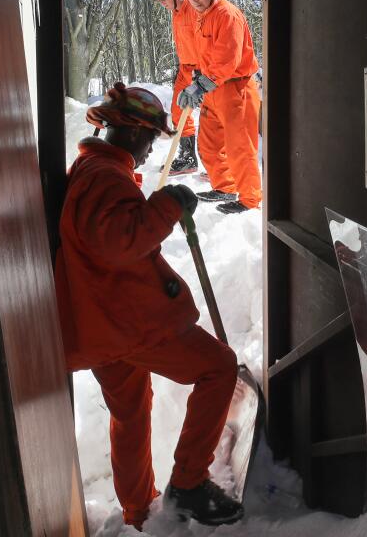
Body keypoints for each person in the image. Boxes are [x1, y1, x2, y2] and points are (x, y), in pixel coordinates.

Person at [54, 82, 243, 529]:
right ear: (133, 133)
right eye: (151, 138)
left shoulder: (92, 167)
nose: (150, 148)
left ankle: (138, 511)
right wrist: (167, 205)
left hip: (101, 323)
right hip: (125, 322)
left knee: (131, 413)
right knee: (218, 367)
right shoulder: (104, 177)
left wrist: (159, 205)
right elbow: (119, 243)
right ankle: (189, 484)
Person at [175, 0, 262, 215]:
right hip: (213, 89)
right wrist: (195, 81)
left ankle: (250, 198)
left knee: (240, 146)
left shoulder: (227, 14)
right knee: (209, 144)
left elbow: (226, 59)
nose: (194, 0)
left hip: (236, 89)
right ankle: (225, 186)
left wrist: (200, 85)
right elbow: (206, 56)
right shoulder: (203, 17)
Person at [150, 0, 199, 176]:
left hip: (200, 68)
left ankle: (224, 168)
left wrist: (202, 73)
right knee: (178, 109)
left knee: (215, 117)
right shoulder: (176, 12)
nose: (162, 4)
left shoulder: (193, 8)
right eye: (160, 1)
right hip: (185, 67)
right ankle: (188, 158)